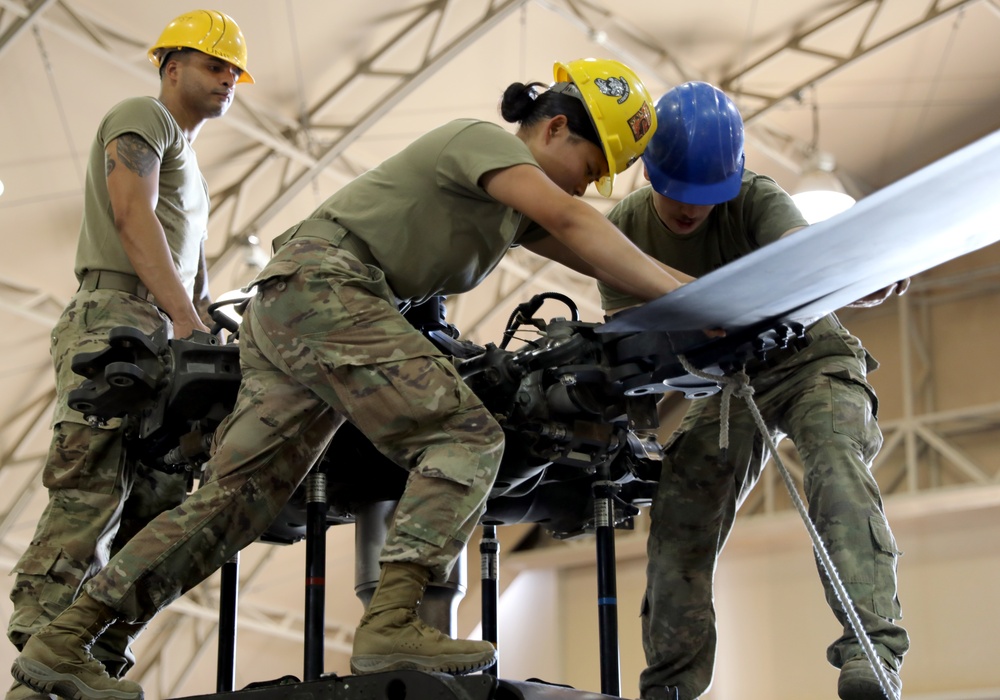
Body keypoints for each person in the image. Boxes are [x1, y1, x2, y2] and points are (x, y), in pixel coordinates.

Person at [12, 58, 682, 700]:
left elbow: (597, 252)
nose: (582, 188)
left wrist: (680, 299)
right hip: (324, 287)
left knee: (232, 505)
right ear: (557, 126)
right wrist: (692, 300)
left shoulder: (514, 209)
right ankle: (390, 623)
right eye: (589, 168)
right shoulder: (483, 144)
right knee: (466, 435)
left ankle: (66, 638)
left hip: (295, 304)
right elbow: (576, 222)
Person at [596, 82, 910, 700]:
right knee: (680, 516)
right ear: (649, 172)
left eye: (704, 196)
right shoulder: (623, 230)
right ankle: (671, 686)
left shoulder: (755, 197)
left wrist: (849, 273)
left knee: (837, 470)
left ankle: (872, 657)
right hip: (725, 383)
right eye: (676, 193)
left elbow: (800, 255)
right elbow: (635, 344)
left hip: (810, 357)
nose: (689, 209)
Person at [5, 10, 252, 700]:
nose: (227, 78)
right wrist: (181, 317)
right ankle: (46, 634)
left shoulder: (194, 174)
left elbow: (193, 278)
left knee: (162, 498)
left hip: (164, 332)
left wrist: (205, 334)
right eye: (213, 64)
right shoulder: (144, 116)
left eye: (233, 70)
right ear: (171, 67)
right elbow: (130, 212)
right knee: (91, 486)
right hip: (115, 317)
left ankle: (96, 646)